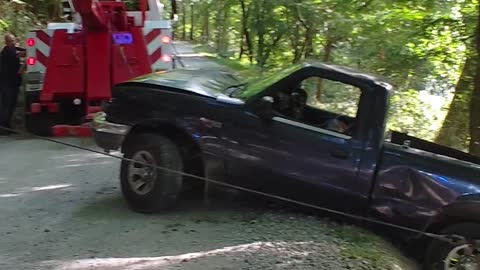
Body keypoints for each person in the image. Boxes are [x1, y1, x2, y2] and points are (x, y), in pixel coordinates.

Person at [0, 33, 25, 134]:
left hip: (12, 84)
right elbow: (20, 54)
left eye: (14, 40)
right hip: (7, 84)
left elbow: (20, 51)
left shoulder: (12, 49)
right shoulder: (7, 51)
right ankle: (3, 128)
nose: (13, 43)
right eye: (10, 41)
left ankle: (7, 126)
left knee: (11, 105)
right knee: (7, 105)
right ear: (6, 42)